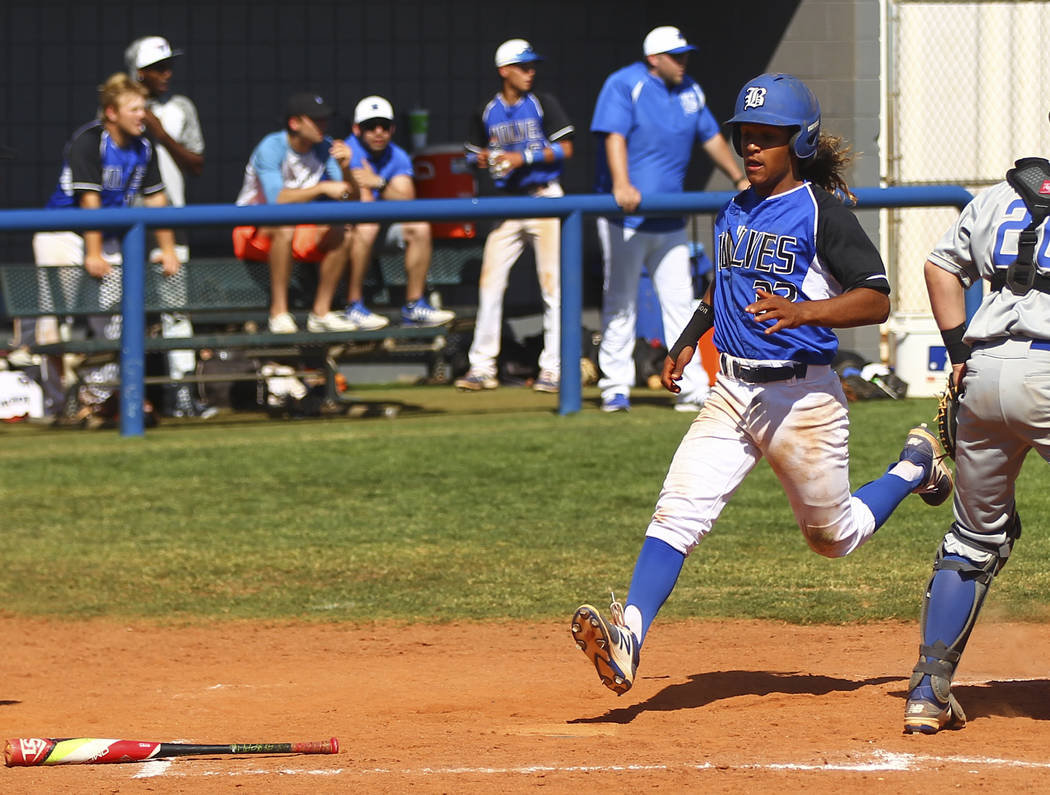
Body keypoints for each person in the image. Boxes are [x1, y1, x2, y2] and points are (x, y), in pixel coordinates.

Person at [571, 73, 954, 697]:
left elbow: (876, 299)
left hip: (803, 399)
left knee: (834, 539)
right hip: (732, 394)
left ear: (798, 142)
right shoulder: (735, 207)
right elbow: (723, 288)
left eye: (766, 138)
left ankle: (914, 467)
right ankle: (628, 638)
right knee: (678, 511)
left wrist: (804, 312)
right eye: (745, 136)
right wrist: (689, 335)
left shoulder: (822, 213)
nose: (750, 148)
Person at [900, 147, 1050, 734]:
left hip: (983, 377)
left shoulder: (996, 197)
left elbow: (940, 267)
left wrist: (960, 349)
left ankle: (926, 691)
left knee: (974, 537)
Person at [591, 26, 750, 412]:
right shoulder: (624, 83)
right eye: (675, 56)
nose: (683, 62)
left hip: (670, 219)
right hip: (625, 220)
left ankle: (692, 388)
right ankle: (615, 387)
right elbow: (613, 135)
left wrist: (738, 176)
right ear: (653, 59)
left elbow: (710, 136)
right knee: (620, 302)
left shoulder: (690, 90)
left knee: (683, 303)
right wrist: (622, 183)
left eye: (685, 55)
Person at [30, 73, 183, 420]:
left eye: (143, 108)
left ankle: (95, 397)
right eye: (134, 109)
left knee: (119, 322)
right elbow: (89, 201)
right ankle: (58, 407)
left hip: (108, 236)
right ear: (112, 113)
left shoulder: (144, 147)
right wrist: (93, 253)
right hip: (64, 233)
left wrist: (168, 247)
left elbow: (157, 198)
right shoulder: (90, 140)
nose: (142, 114)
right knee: (53, 324)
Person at [454, 38, 574, 393]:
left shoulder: (541, 103)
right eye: (523, 66)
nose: (530, 72)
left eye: (532, 66)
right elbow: (469, 156)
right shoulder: (486, 110)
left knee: (552, 287)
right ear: (504, 71)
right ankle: (481, 367)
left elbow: (567, 147)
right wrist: (478, 161)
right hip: (508, 201)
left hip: (544, 196)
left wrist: (524, 158)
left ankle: (552, 369)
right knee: (490, 284)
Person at [124, 35, 214, 418]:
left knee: (176, 312)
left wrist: (162, 135)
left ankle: (181, 394)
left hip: (171, 222)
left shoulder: (180, 107)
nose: (167, 74)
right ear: (139, 72)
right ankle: (123, 397)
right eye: (158, 68)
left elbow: (197, 163)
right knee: (121, 313)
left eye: (168, 67)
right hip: (125, 225)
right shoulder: (123, 108)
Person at [233, 92, 360, 333]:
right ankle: (279, 312)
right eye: (316, 120)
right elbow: (277, 200)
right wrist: (322, 187)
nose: (323, 125)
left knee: (343, 230)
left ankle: (321, 313)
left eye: (325, 120)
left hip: (300, 228)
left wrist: (346, 171)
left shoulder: (325, 147)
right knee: (284, 224)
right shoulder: (272, 146)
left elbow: (350, 198)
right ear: (295, 123)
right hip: (252, 229)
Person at [344, 95, 455, 330]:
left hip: (380, 229)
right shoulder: (348, 151)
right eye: (370, 126)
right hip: (345, 234)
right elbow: (364, 207)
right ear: (356, 129)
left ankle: (414, 305)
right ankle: (353, 304)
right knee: (367, 225)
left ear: (392, 129)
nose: (378, 132)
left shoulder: (397, 155)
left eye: (384, 126)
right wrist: (384, 189)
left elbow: (407, 201)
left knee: (420, 226)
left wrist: (379, 183)